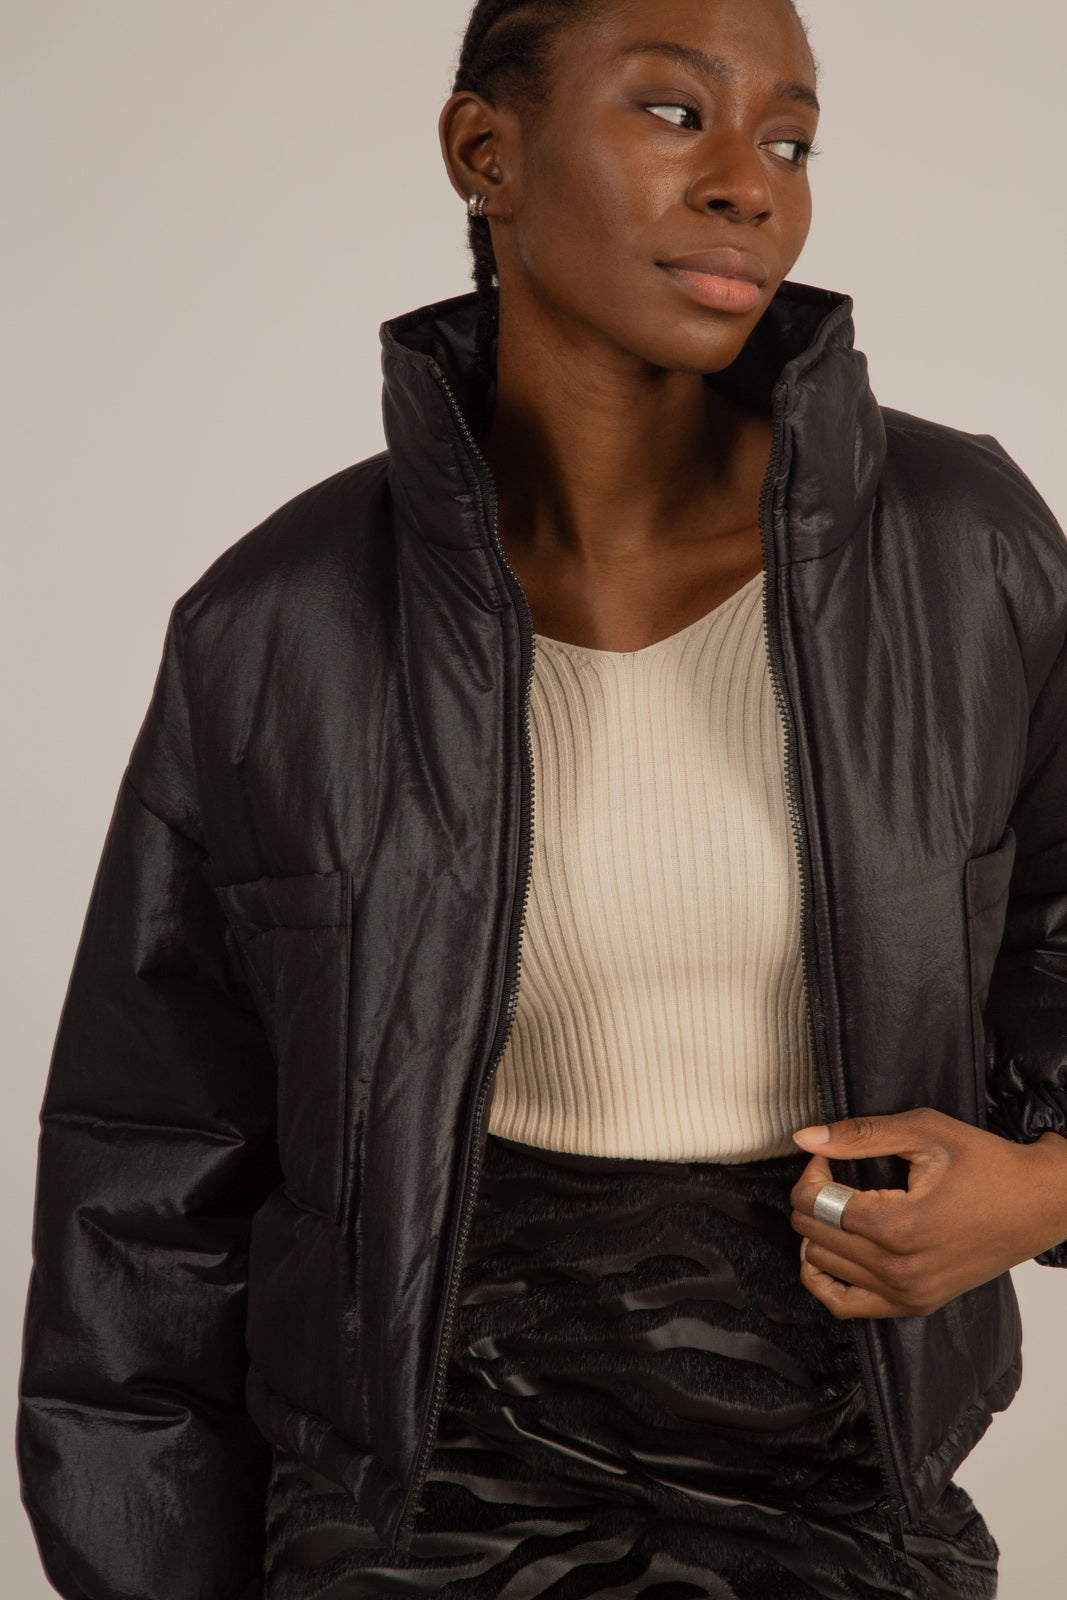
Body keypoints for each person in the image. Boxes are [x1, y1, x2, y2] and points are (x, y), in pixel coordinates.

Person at [17, 0, 1067, 1596]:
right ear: (484, 152)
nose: (750, 182)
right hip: (408, 1504)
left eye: (790, 139)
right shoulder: (278, 624)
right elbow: (148, 1178)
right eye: (675, 112)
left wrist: (1038, 1193)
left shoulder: (963, 551)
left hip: (840, 1483)